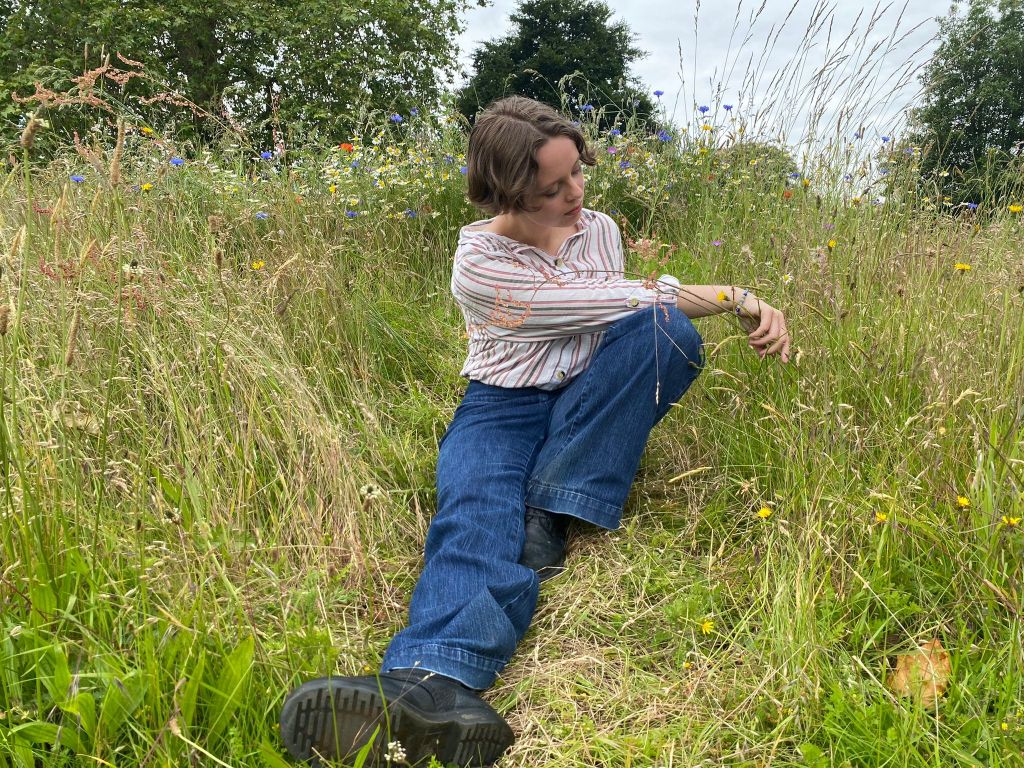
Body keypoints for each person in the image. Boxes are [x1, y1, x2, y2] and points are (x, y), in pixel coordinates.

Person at [279, 96, 790, 767]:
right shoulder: (480, 262)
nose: (575, 193)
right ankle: (432, 681)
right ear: (507, 192)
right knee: (475, 503)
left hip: (589, 394)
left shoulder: (597, 229)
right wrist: (731, 295)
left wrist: (726, 300)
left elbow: (633, 311)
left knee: (667, 332)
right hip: (503, 403)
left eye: (577, 172)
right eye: (552, 188)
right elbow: (610, 299)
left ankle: (553, 507)